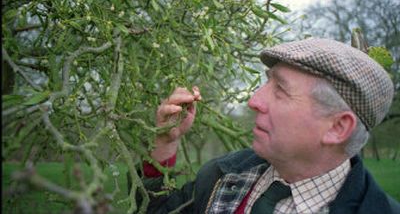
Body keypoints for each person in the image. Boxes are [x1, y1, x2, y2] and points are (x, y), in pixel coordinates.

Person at [141, 38, 400, 214]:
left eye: (281, 90)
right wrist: (165, 142)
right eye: (267, 83)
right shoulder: (224, 175)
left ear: (337, 127)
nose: (254, 101)